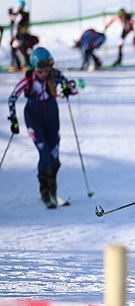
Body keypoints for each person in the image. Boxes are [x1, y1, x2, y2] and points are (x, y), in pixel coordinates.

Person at [7, 47, 79, 208]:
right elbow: (12, 98)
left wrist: (68, 89)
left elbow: (74, 88)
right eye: (40, 70)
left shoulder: (55, 76)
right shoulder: (28, 80)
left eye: (47, 69)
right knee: (44, 154)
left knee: (55, 157)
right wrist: (13, 119)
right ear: (34, 68)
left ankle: (53, 192)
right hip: (34, 119)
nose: (44, 73)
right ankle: (44, 193)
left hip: (52, 119)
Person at [8, 0, 37, 72]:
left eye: (20, 6)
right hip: (16, 36)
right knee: (13, 49)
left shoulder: (25, 14)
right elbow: (13, 24)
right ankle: (16, 65)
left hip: (23, 36)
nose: (19, 7)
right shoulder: (17, 15)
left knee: (24, 49)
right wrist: (11, 15)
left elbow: (22, 19)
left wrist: (14, 15)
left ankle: (27, 65)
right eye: (18, 6)